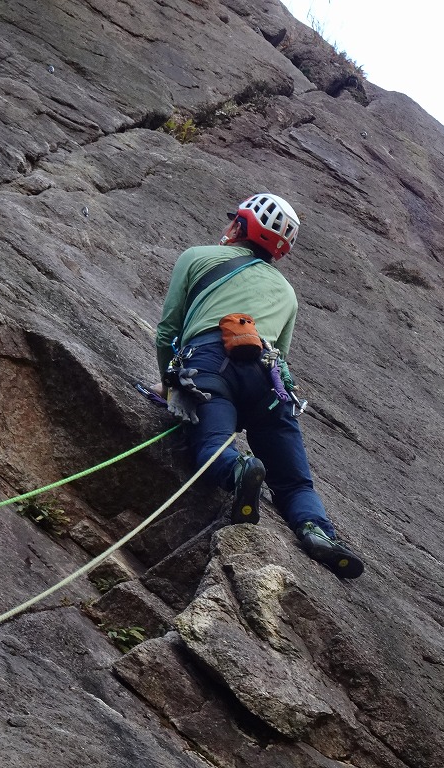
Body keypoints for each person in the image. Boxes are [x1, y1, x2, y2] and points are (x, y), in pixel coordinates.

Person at [154, 192, 365, 579]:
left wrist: (170, 385)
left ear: (240, 226)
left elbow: (168, 331)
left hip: (210, 365)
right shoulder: (287, 294)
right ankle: (316, 530)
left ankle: (239, 472)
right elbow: (281, 355)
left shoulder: (198, 257)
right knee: (295, 481)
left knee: (212, 445)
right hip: (269, 382)